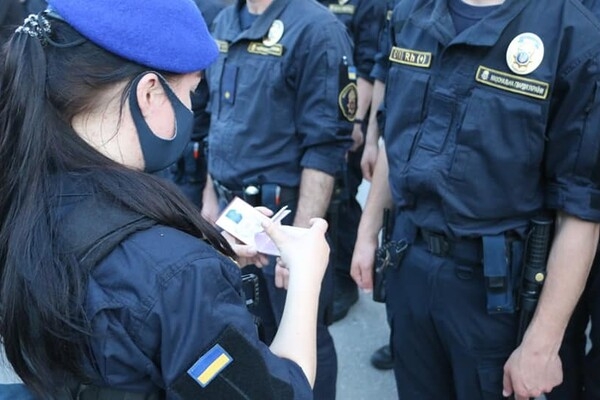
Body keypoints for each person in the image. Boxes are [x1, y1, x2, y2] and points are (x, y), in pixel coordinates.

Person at [0, 1, 332, 399]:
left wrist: (202, 254)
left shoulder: (24, 186)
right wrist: (306, 276)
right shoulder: (180, 276)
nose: (191, 108)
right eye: (190, 92)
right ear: (150, 93)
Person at [351, 0, 600, 399]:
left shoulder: (574, 33)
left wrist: (543, 342)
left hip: (496, 295)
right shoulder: (411, 12)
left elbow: (581, 210)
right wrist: (367, 233)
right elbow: (395, 140)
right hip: (408, 265)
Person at [201, 0, 355, 397]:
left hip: (283, 218)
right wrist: (209, 197)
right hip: (232, 213)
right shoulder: (226, 20)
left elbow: (325, 146)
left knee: (301, 340)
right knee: (242, 334)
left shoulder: (317, 28)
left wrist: (297, 243)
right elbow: (216, 118)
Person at [316, 0, 386, 323]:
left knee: (342, 199)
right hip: (317, 113)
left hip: (348, 116)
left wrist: (354, 121)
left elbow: (369, 67)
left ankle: (346, 280)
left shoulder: (369, 4)